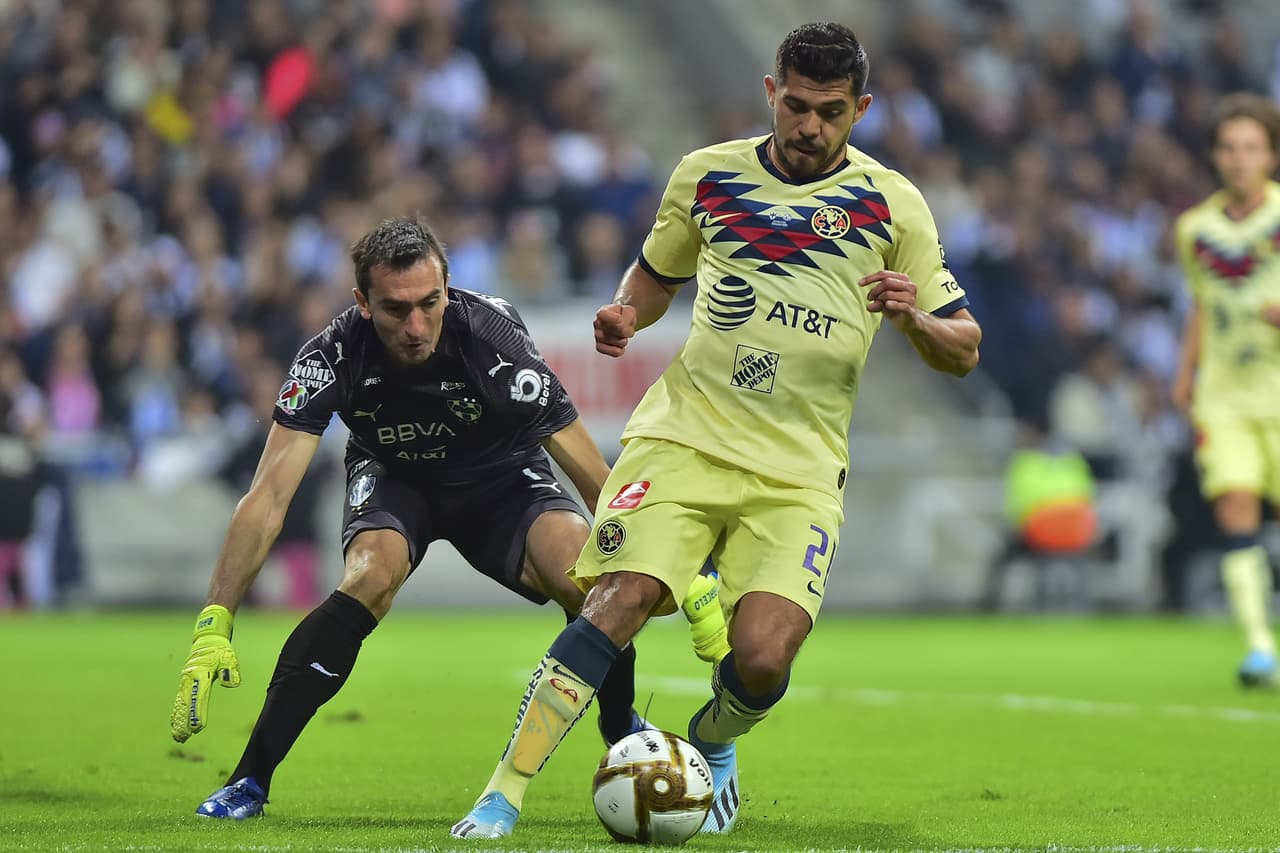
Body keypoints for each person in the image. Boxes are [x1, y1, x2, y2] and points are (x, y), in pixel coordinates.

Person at [452, 22, 981, 840]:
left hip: (799, 468)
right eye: (796, 105)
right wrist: (627, 313)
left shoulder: (892, 203)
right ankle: (502, 793)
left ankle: (712, 736)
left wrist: (916, 321)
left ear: (861, 109)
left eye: (830, 112)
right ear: (771, 93)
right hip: (686, 437)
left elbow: (965, 347)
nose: (809, 126)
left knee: (763, 657)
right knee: (618, 598)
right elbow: (654, 276)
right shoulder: (708, 175)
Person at [169, 217, 729, 819]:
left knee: (586, 579)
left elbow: (592, 473)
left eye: (429, 303)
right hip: (396, 478)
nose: (415, 327)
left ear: (447, 287)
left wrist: (668, 565)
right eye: (395, 309)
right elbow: (267, 498)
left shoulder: (491, 336)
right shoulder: (330, 356)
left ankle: (618, 725)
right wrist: (214, 622)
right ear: (362, 302)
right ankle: (249, 781)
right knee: (368, 577)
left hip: (501, 479)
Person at [1171, 93, 1280, 686]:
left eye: (1251, 148)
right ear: (1216, 155)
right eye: (1229, 148)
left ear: (1271, 156)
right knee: (1236, 506)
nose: (1240, 159)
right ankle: (1260, 646)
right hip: (1226, 395)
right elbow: (1200, 304)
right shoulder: (1195, 229)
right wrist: (1185, 372)